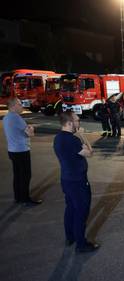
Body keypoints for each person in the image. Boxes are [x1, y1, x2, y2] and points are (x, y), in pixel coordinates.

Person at [53, 111, 99, 253]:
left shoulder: (58, 138)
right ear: (69, 123)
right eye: (77, 121)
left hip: (66, 179)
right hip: (78, 181)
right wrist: (83, 135)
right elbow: (90, 153)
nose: (79, 123)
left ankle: (70, 237)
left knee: (71, 208)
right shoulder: (72, 140)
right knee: (81, 212)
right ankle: (81, 244)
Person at [3, 98, 42, 206]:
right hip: (21, 150)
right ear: (13, 106)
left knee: (17, 175)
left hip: (12, 150)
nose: (22, 106)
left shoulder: (6, 118)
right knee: (25, 175)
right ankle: (25, 199)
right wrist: (31, 128)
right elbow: (30, 134)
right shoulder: (16, 118)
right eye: (20, 104)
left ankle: (18, 197)